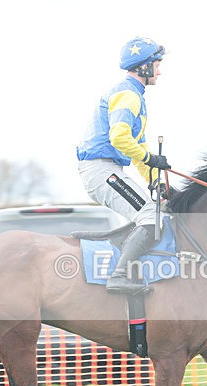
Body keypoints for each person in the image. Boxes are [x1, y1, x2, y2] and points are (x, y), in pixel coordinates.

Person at [76, 36, 171, 293]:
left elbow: (138, 149)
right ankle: (119, 277)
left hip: (108, 169)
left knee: (153, 212)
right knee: (150, 217)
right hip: (100, 170)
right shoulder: (128, 94)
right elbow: (119, 138)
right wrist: (151, 160)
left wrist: (155, 181)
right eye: (157, 64)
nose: (159, 71)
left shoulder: (135, 97)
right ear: (144, 67)